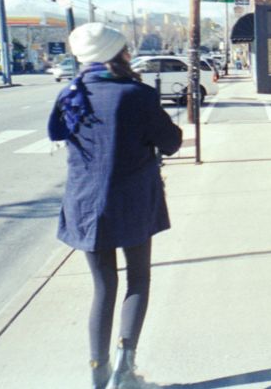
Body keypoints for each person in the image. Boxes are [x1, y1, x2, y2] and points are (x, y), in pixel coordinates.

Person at [47, 23, 182, 389]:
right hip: (132, 202)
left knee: (103, 287)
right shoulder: (136, 94)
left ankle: (98, 374)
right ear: (116, 53)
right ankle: (125, 371)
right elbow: (171, 143)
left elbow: (58, 134)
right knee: (138, 278)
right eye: (124, 49)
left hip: (85, 204)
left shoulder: (70, 95)